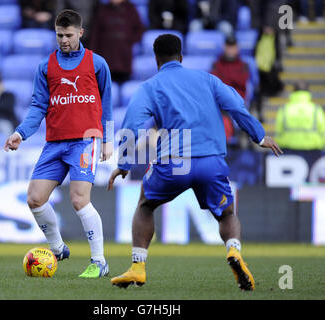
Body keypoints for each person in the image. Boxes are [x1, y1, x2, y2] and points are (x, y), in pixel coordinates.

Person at [107, 34, 282, 291]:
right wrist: (259, 135)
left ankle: (137, 267)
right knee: (227, 213)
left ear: (156, 59)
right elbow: (236, 106)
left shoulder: (150, 87)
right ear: (181, 56)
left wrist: (123, 163)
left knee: (146, 205)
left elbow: (131, 123)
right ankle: (233, 251)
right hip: (210, 160)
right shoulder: (208, 79)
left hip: (173, 163)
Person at [4, 9, 113, 278]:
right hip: (54, 143)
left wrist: (108, 140)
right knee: (35, 198)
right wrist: (21, 133)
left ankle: (99, 261)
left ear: (80, 33)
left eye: (68, 35)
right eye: (59, 35)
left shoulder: (97, 63)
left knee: (78, 200)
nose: (63, 40)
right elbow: (38, 106)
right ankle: (58, 247)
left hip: (85, 141)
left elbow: (107, 105)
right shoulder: (45, 67)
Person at [88, 0, 145, 84]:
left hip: (124, 57)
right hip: (106, 56)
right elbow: (95, 35)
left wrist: (129, 40)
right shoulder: (102, 10)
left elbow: (139, 29)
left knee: (125, 85)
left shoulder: (131, 9)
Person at [211, 34, 249, 142]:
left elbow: (242, 81)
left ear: (237, 48)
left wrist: (224, 78)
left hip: (237, 102)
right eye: (228, 46)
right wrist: (233, 79)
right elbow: (214, 84)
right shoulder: (216, 64)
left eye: (233, 47)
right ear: (224, 47)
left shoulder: (244, 65)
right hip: (220, 102)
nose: (230, 50)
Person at [275, 81, 325, 150]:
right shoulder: (316, 109)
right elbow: (324, 131)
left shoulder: (284, 109)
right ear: (308, 92)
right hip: (313, 150)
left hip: (289, 150)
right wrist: (320, 144)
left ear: (293, 91)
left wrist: (282, 143)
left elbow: (278, 131)